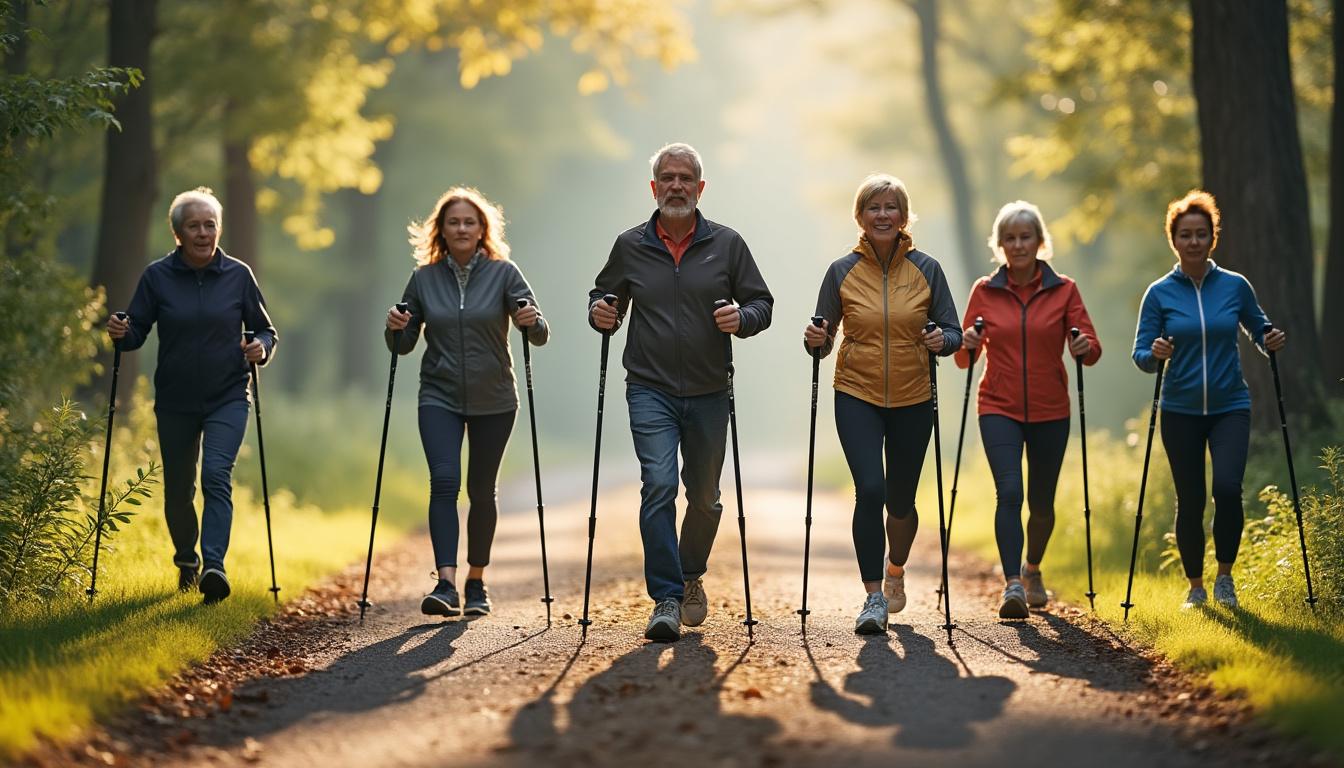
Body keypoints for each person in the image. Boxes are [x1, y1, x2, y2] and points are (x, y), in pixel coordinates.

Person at [589, 142, 774, 642]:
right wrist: (600, 313)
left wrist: (744, 318)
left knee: (707, 499)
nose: (676, 186)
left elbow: (762, 302)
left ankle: (691, 573)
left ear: (700, 187)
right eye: (667, 178)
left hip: (711, 389)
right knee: (659, 485)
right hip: (649, 388)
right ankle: (667, 598)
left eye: (685, 178)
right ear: (654, 188)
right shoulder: (630, 245)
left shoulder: (727, 244)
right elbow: (604, 297)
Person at [803, 173, 961, 635]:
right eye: (874, 207)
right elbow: (822, 337)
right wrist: (816, 339)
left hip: (913, 395)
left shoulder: (928, 270)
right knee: (870, 490)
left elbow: (951, 331)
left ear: (905, 216)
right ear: (860, 217)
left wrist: (940, 339)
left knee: (900, 501)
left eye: (892, 207)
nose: (883, 215)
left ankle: (895, 571)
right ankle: (873, 596)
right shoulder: (841, 272)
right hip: (857, 392)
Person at [106, 187, 278, 605]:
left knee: (216, 476)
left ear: (218, 228)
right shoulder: (157, 277)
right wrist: (121, 333)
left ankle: (214, 566)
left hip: (228, 395)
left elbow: (265, 330)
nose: (203, 233)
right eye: (194, 226)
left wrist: (260, 348)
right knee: (179, 490)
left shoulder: (239, 275)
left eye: (210, 225)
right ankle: (187, 561)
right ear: (178, 233)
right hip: (176, 400)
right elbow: (136, 333)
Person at [387, 187, 549, 618]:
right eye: (453, 222)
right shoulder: (424, 278)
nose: (461, 228)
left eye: (469, 222)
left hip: (494, 397)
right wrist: (394, 326)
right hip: (438, 395)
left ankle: (476, 581)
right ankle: (445, 583)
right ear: (440, 229)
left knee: (481, 490)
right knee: (443, 482)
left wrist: (532, 321)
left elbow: (539, 331)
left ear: (482, 230)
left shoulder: (504, 272)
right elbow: (402, 345)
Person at [1132, 189, 1284, 610]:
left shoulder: (1234, 286)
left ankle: (1225, 579)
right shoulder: (1159, 293)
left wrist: (1270, 339)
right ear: (1174, 240)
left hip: (1229, 406)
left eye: (1201, 234)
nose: (1194, 241)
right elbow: (1141, 354)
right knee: (1191, 499)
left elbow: (1259, 329)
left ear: (1212, 237)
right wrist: (1154, 354)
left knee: (1228, 487)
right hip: (1179, 410)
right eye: (1186, 234)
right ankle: (1195, 587)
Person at [954, 201, 1101, 619]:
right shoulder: (985, 291)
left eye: (1025, 237)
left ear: (1040, 242)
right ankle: (1012, 586)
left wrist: (1083, 346)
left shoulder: (1064, 289)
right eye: (1010, 238)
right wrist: (966, 342)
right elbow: (964, 359)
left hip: (1051, 408)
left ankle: (1032, 567)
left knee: (1041, 503)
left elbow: (1090, 348)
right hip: (997, 406)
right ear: (999, 245)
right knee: (1010, 492)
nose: (1018, 245)